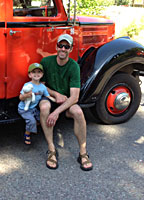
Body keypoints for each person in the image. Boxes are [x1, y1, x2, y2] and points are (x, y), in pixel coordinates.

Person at [39, 34, 93, 171]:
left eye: (66, 46)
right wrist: (56, 94)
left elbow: (74, 97)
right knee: (44, 107)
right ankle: (51, 149)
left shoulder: (74, 66)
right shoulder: (46, 62)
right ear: (56, 46)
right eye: (60, 45)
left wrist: (56, 112)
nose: (63, 49)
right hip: (51, 98)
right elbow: (41, 86)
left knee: (78, 112)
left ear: (71, 49)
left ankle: (83, 152)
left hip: (67, 101)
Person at [18, 63, 53, 145]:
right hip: (24, 109)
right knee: (31, 121)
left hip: (33, 108)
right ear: (30, 75)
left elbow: (48, 95)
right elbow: (20, 97)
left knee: (41, 119)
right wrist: (26, 95)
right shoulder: (27, 85)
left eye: (39, 72)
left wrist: (56, 99)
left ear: (42, 74)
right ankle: (27, 133)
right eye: (34, 72)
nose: (36, 74)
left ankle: (31, 127)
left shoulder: (43, 87)